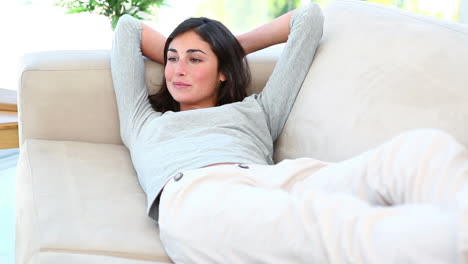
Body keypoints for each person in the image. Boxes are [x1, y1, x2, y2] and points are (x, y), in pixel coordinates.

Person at [110, 2, 467, 263]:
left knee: (419, 152)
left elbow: (307, 19)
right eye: (171, 58)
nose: (177, 70)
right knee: (336, 229)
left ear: (223, 72)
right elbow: (128, 28)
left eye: (195, 59)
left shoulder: (258, 111)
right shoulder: (143, 121)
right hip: (198, 194)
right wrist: (205, 53)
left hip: (277, 179)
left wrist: (229, 50)